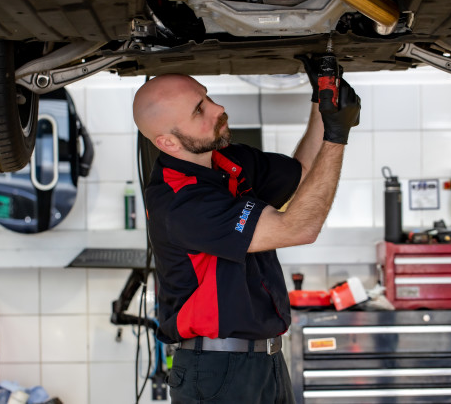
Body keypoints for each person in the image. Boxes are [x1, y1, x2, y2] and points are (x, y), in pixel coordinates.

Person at [132, 57, 361, 404]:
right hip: (217, 372)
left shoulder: (227, 160)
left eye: (207, 97)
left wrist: (322, 102)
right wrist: (336, 137)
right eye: (199, 110)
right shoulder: (181, 202)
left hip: (265, 359)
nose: (218, 108)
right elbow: (298, 228)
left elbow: (302, 173)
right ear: (168, 142)